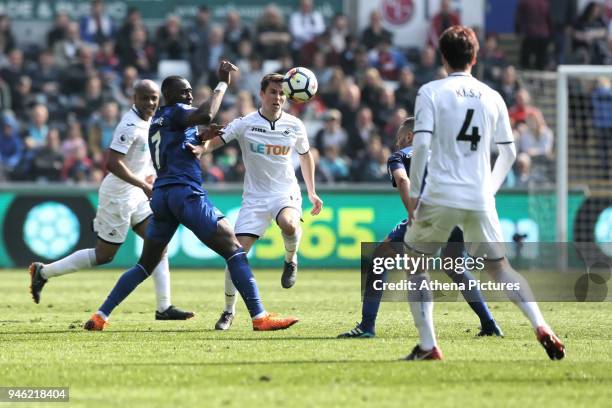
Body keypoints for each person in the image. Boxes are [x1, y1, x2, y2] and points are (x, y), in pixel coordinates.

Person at [82, 61, 298, 332]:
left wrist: (203, 138)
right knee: (234, 250)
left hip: (162, 197)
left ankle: (101, 315)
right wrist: (222, 83)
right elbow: (206, 113)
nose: (190, 96)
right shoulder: (177, 111)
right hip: (185, 193)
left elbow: (181, 146)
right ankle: (259, 317)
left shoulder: (156, 122)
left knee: (145, 264)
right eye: (185, 92)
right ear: (172, 96)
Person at [403, 26, 564, 361]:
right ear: (475, 57)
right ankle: (540, 323)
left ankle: (429, 344)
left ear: (443, 56)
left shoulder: (431, 91)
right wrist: (487, 190)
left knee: (415, 264)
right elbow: (508, 152)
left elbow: (420, 144)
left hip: (440, 193)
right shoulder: (493, 96)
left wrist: (416, 192)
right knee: (501, 268)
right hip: (479, 196)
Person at [28, 80, 194, 321]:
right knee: (104, 255)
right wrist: (143, 184)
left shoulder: (151, 120)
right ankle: (43, 272)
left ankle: (164, 307)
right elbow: (112, 163)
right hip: (118, 194)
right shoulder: (129, 125)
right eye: (145, 98)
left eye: (154, 98)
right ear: (134, 98)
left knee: (159, 242)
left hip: (136, 192)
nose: (150, 103)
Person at [337, 118, 502, 338]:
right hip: (461, 212)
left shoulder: (400, 156)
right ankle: (490, 324)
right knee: (454, 267)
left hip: (430, 215)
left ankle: (367, 325)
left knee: (379, 258)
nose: (396, 144)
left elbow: (403, 181)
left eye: (398, 139)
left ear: (409, 137)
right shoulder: (445, 155)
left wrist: (413, 213)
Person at [197, 73, 323, 330]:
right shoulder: (245, 124)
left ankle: (290, 259)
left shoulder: (295, 125)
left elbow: (305, 156)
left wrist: (312, 192)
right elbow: (214, 143)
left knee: (289, 224)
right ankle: (228, 311)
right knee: (236, 254)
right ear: (262, 95)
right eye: (273, 92)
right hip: (254, 198)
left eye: (282, 94)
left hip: (284, 192)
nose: (278, 98)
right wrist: (199, 148)